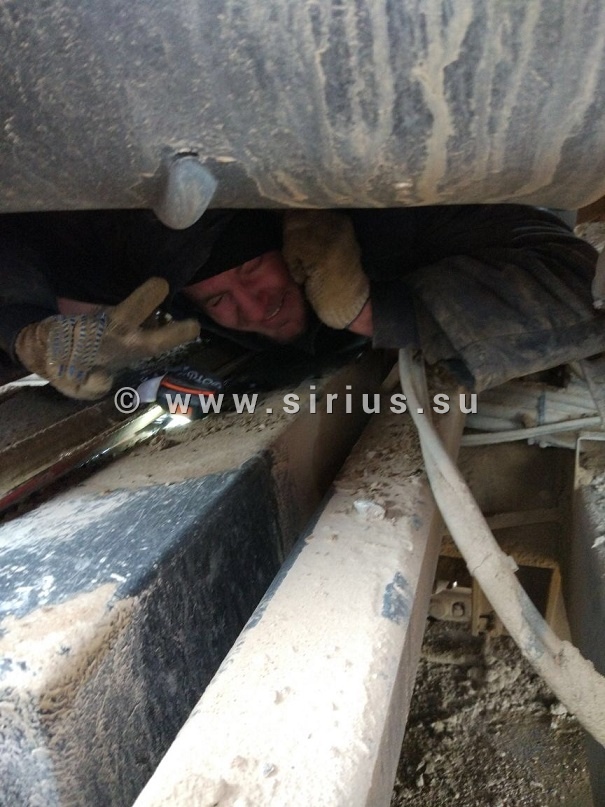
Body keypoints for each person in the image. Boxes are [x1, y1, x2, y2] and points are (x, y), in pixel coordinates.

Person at [0, 204, 602, 399]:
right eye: (219, 298)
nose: (252, 306)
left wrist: (371, 309)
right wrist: (26, 331)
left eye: (254, 269)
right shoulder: (140, 279)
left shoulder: (395, 224)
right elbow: (17, 235)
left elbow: (586, 287)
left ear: (289, 249)